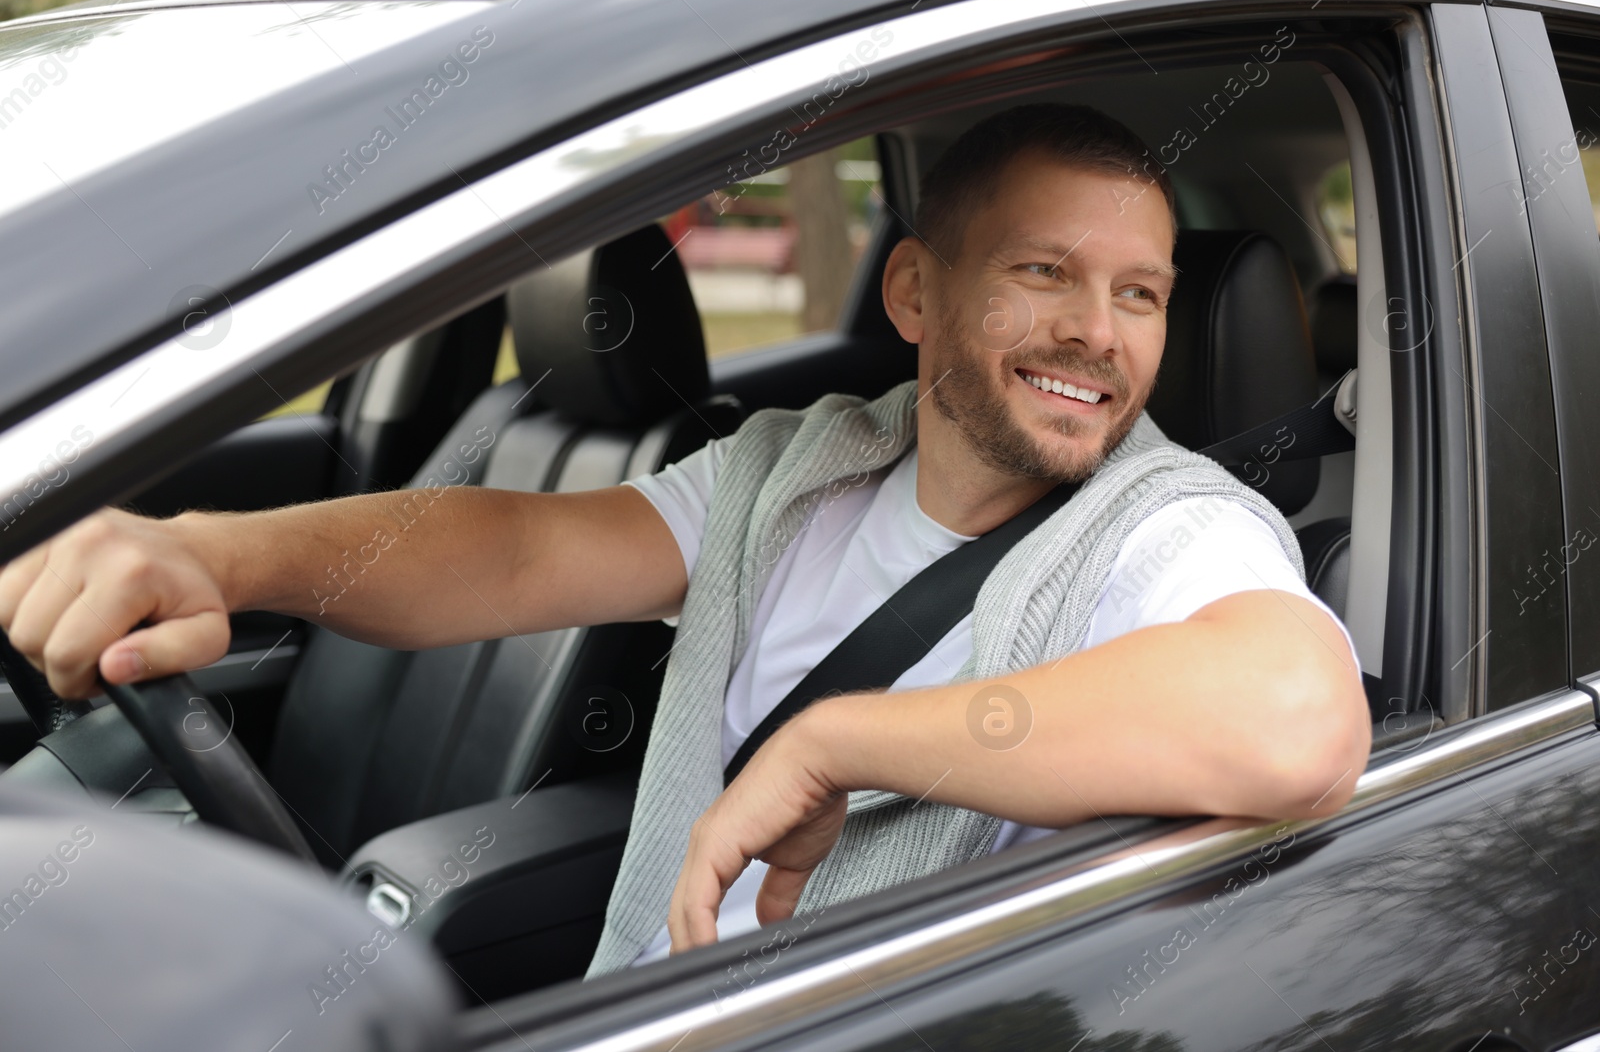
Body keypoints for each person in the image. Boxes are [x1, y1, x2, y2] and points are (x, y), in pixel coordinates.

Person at [0, 104, 1369, 981]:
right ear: (914, 290)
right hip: (651, 999)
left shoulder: (1163, 526)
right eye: (1044, 273)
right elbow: (520, 554)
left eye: (1141, 292)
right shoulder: (803, 459)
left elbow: (1298, 714)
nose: (1100, 332)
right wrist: (217, 555)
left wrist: (840, 745)